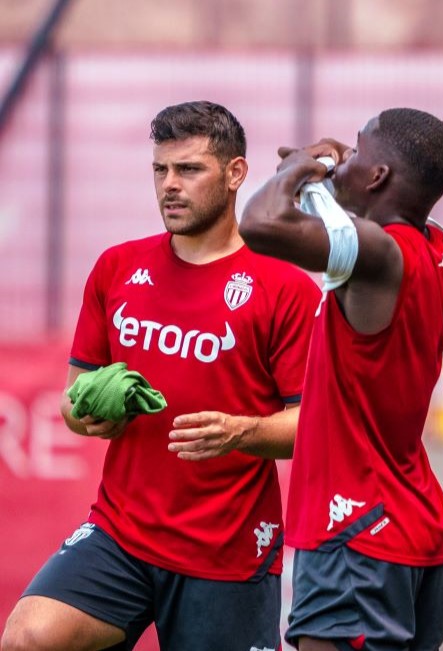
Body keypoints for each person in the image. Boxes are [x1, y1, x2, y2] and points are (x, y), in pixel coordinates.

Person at [0, 101, 319, 651]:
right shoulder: (117, 267)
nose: (170, 184)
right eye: (160, 169)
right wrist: (86, 414)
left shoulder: (285, 289)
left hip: (227, 551)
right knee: (30, 638)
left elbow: (314, 425)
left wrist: (240, 432)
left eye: (189, 169)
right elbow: (72, 402)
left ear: (236, 173)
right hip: (120, 533)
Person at [239, 108, 443, 651]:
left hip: (354, 530)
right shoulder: (438, 249)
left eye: (357, 151)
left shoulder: (378, 254)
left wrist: (299, 167)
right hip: (414, 527)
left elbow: (260, 224)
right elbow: (357, 216)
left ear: (379, 175)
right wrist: (339, 175)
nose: (344, 159)